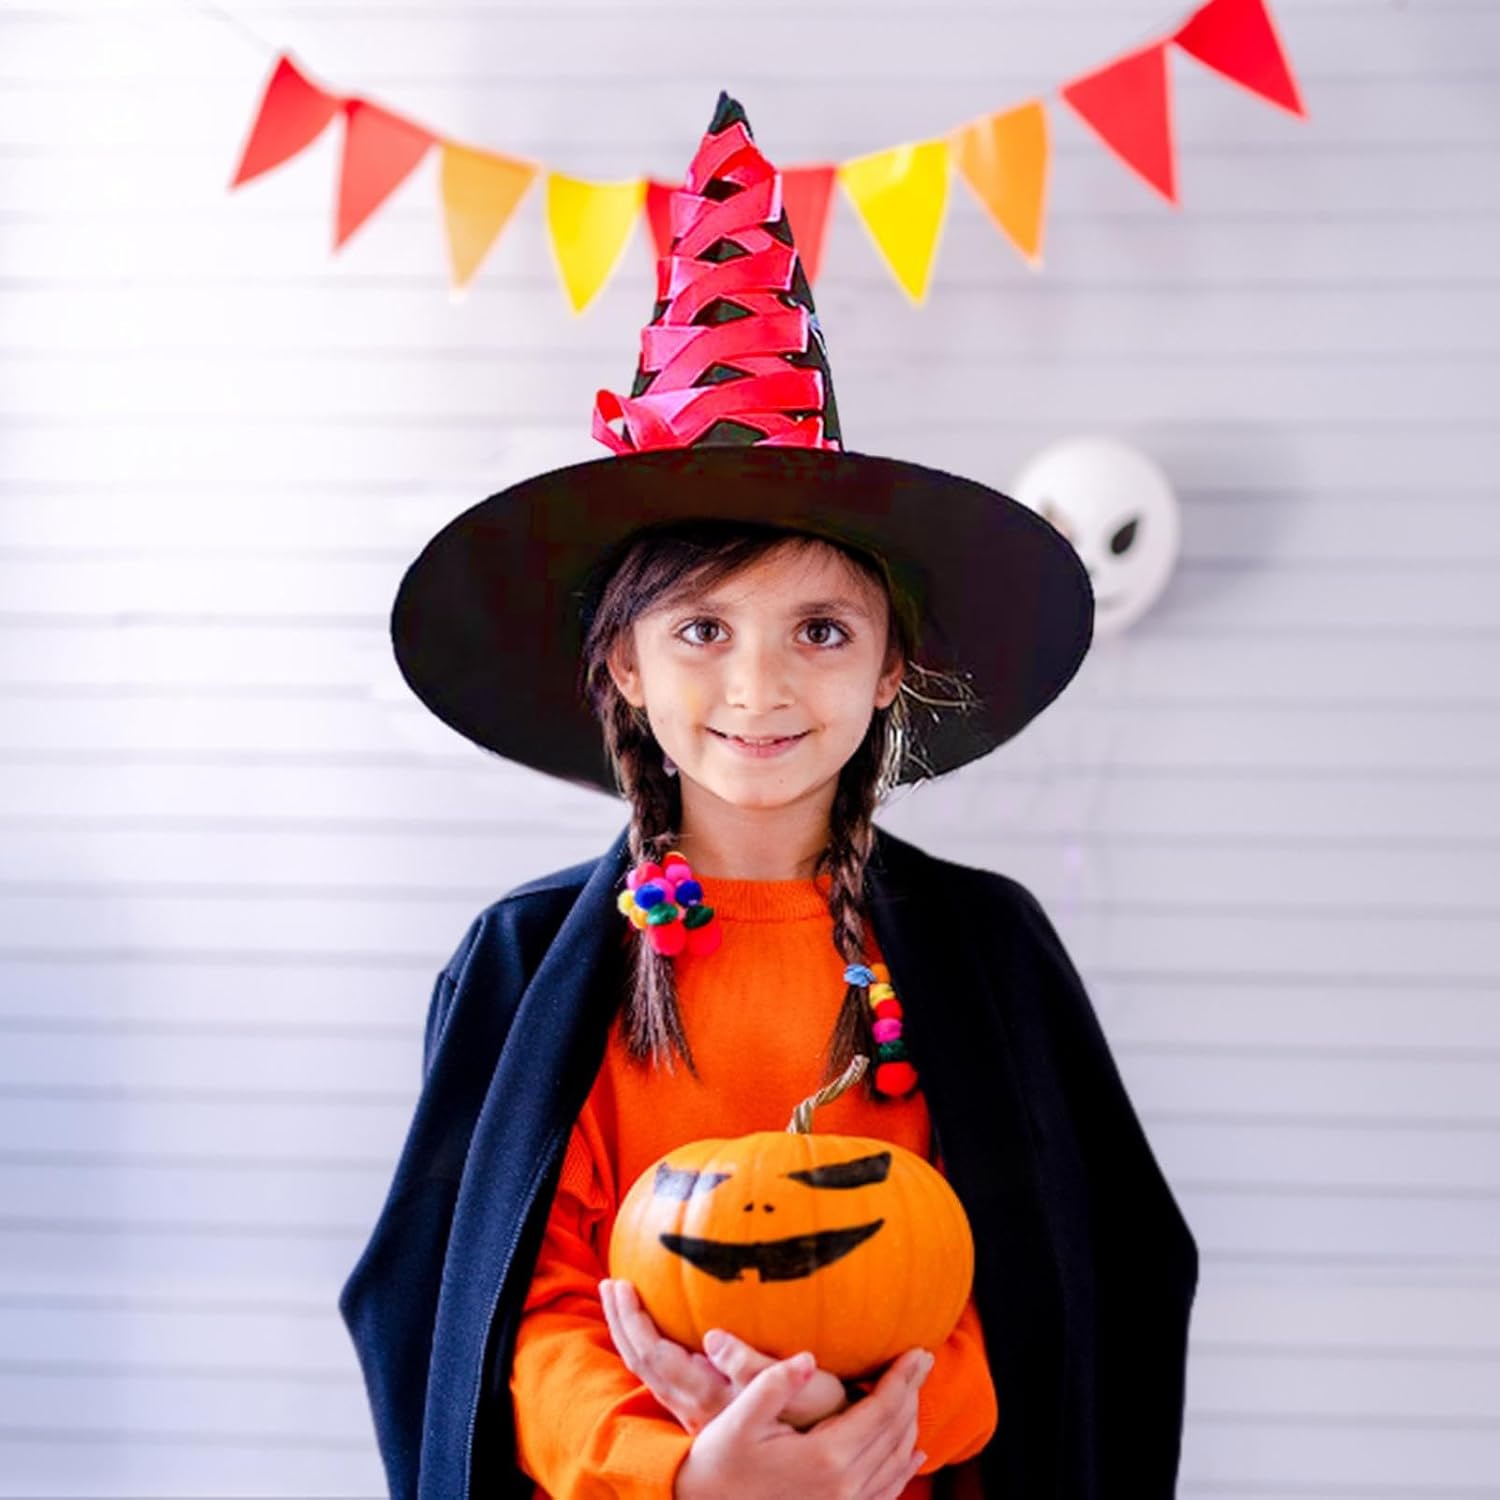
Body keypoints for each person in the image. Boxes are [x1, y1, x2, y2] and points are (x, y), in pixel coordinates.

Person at [339, 92, 1199, 1500]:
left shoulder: (983, 951)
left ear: (889, 667)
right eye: (701, 629)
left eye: (820, 630)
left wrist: (875, 1431)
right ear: (623, 665)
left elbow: (1068, 1278)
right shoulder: (529, 964)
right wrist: (688, 1473)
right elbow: (513, 1307)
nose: (760, 687)